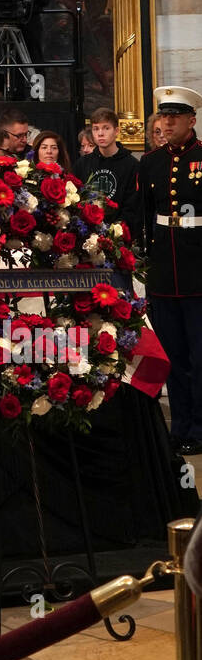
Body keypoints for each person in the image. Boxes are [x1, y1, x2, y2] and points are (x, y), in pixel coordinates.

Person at [138, 87, 202, 455]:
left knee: (200, 356)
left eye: (176, 116)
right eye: (164, 115)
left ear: (191, 120)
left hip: (198, 271)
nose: (168, 121)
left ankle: (201, 426)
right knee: (173, 358)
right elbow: (145, 216)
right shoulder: (151, 162)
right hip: (165, 271)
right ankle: (180, 428)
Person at [72, 107, 141, 237]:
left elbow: (132, 206)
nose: (100, 133)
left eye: (106, 128)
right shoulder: (82, 164)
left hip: (118, 235)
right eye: (96, 128)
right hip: (87, 233)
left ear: (116, 131)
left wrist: (115, 231)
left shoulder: (131, 165)